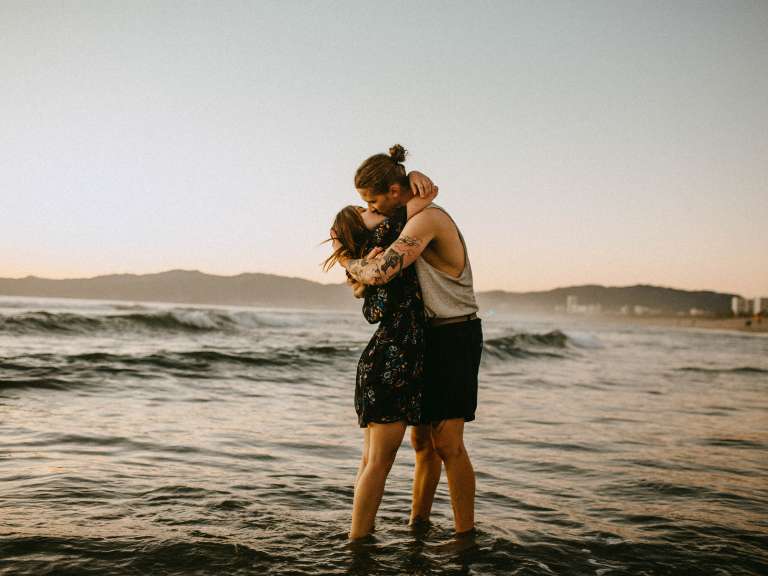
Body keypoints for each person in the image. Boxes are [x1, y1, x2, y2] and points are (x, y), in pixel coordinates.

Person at [337, 144, 483, 538]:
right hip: (423, 336)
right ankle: (418, 523)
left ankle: (464, 535)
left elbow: (383, 269)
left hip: (454, 333)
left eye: (373, 200)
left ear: (395, 192)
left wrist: (347, 262)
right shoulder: (408, 213)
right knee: (421, 441)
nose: (371, 208)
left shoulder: (428, 220)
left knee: (447, 442)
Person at [324, 167, 437, 540]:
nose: (370, 208)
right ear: (367, 228)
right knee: (378, 464)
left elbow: (373, 311)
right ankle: (358, 543)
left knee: (371, 462)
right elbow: (422, 198)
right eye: (364, 210)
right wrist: (411, 178)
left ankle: (360, 538)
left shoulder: (382, 253)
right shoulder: (388, 234)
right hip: (392, 362)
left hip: (381, 359)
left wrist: (410, 171)